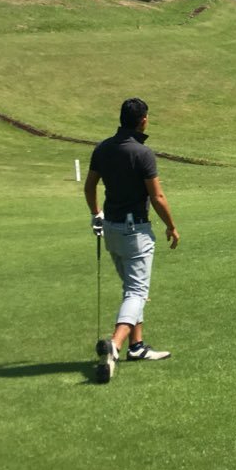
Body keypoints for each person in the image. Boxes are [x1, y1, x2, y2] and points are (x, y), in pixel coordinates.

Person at [84, 97, 180, 384]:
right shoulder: (142, 153)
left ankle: (136, 347)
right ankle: (116, 344)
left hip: (110, 228)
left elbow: (90, 186)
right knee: (137, 292)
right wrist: (172, 226)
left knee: (130, 289)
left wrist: (95, 214)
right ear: (143, 120)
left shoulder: (103, 148)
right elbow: (157, 196)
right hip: (135, 230)